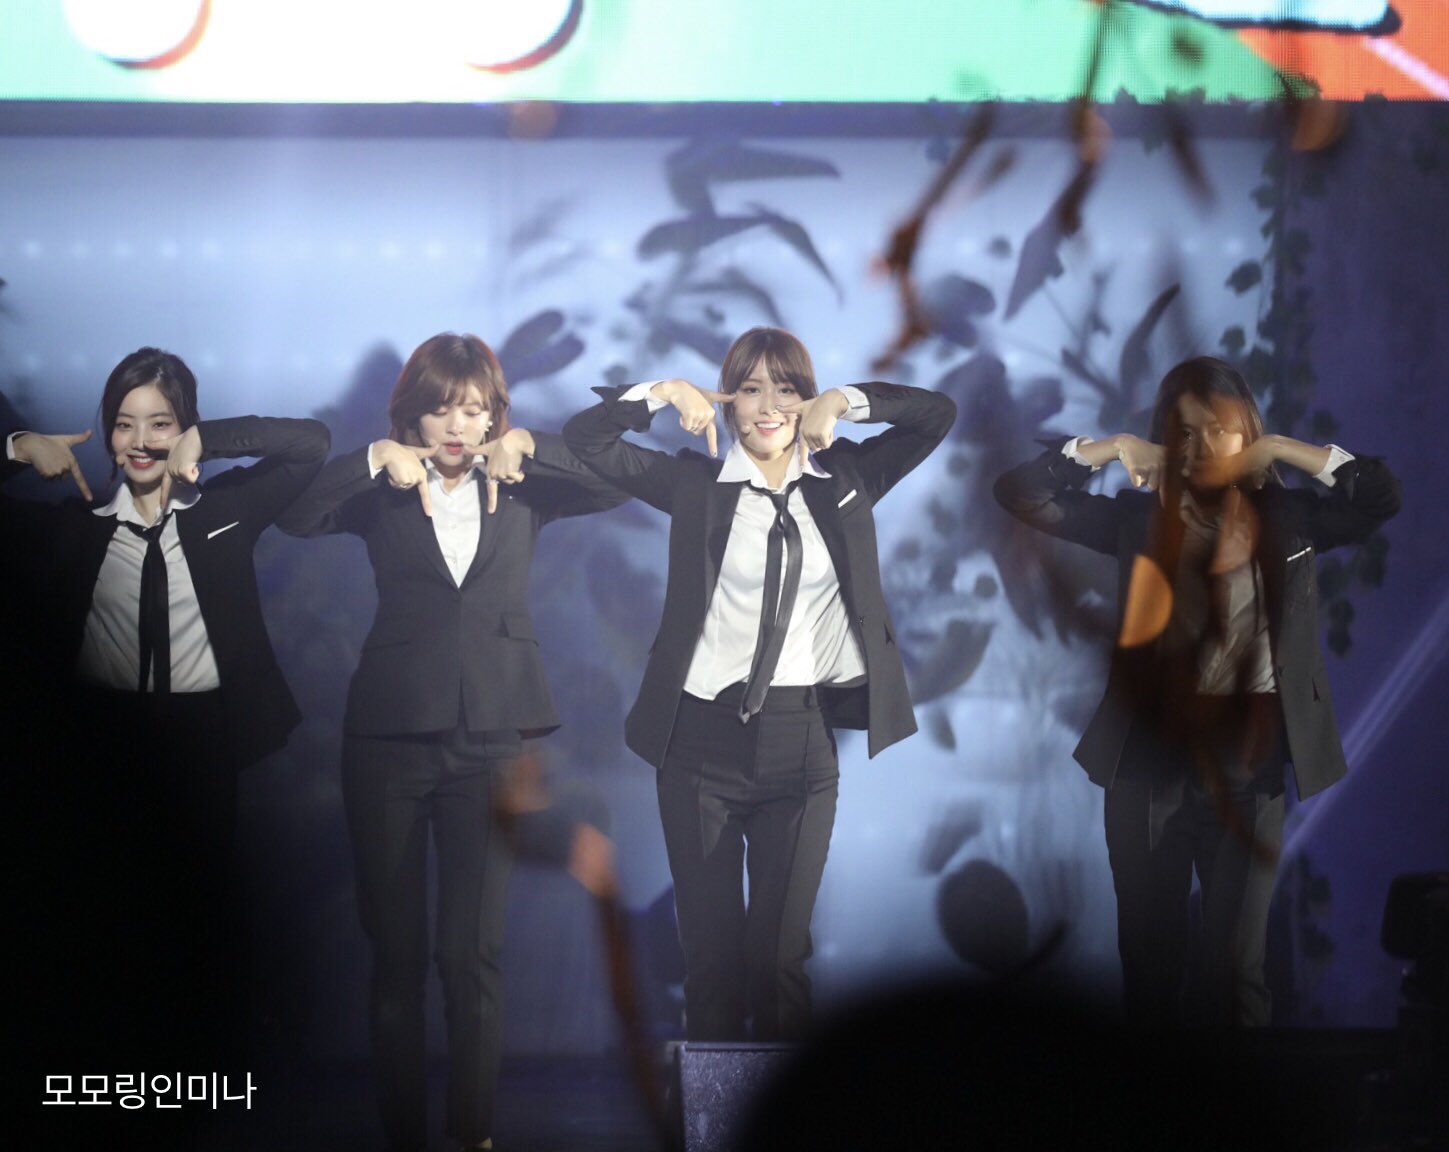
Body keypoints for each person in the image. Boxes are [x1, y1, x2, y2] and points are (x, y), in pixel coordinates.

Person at [277, 332, 626, 1152]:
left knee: (473, 958)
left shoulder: (522, 484)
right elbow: (294, 515)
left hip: (491, 744)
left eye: (474, 410)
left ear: (494, 415)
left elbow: (613, 484)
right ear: (413, 418)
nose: (459, 426)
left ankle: (473, 1137)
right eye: (441, 410)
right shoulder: (384, 490)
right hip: (387, 743)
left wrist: (530, 446)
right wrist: (374, 459)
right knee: (396, 960)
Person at [563, 326, 956, 1041]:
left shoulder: (847, 479)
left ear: (806, 399)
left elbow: (936, 414)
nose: (769, 406)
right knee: (710, 965)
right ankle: (710, 1109)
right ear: (727, 402)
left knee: (779, 961)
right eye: (749, 389)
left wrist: (847, 400)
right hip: (697, 748)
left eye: (787, 389)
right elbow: (586, 439)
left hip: (800, 747)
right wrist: (660, 392)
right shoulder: (694, 486)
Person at [993, 355, 1401, 1026]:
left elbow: (1379, 497)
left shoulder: (1290, 518)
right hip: (1148, 762)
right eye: (1184, 432)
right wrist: (1109, 447)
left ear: (1247, 431)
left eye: (1220, 428)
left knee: (1235, 973)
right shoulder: (1136, 520)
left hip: (1249, 764)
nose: (1203, 445)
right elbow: (1019, 494)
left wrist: (1278, 449)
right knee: (1150, 969)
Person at [1, 347, 328, 1092]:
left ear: (183, 428)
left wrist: (209, 440)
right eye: (124, 424)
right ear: (107, 434)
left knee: (192, 922)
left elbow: (310, 444)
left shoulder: (225, 512)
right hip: (104, 748)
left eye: (160, 422)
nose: (141, 440)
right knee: (98, 923)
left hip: (202, 738)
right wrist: (16, 448)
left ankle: (179, 1089)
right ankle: (98, 1086)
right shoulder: (75, 528)